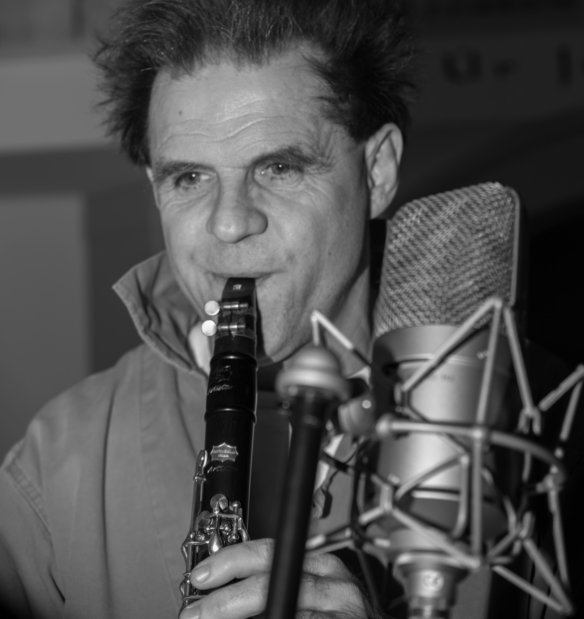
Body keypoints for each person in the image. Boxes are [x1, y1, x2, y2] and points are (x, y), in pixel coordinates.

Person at [0, 1, 418, 618]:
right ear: (155, 185)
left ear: (377, 171)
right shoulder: (54, 463)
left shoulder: (535, 433)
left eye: (279, 167)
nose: (227, 224)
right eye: (190, 178)